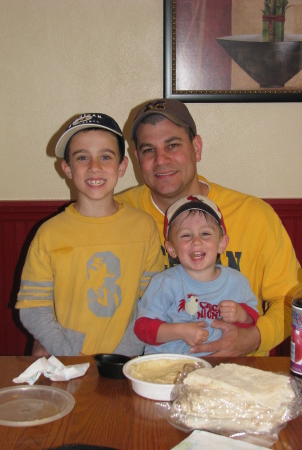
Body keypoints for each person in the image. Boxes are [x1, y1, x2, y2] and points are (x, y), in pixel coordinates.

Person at [116, 98, 301, 356]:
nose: (161, 160)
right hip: (142, 372)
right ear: (136, 158)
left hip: (238, 376)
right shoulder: (116, 216)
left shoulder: (255, 216)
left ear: (196, 147)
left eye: (172, 145)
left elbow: (291, 299)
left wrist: (255, 337)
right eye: (149, 150)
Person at [16, 113, 164, 357]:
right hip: (66, 360)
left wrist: (122, 354)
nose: (94, 167)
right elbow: (33, 308)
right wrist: (67, 351)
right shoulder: (49, 235)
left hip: (127, 362)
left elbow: (153, 300)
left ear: (122, 166)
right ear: (67, 168)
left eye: (105, 157)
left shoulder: (143, 227)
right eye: (82, 157)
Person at [134, 194, 259, 356]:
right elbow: (143, 328)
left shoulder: (237, 282)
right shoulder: (164, 283)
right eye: (186, 235)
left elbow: (252, 321)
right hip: (168, 368)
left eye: (205, 233)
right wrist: (180, 331)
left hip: (217, 369)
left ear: (222, 244)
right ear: (171, 248)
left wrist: (242, 315)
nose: (196, 241)